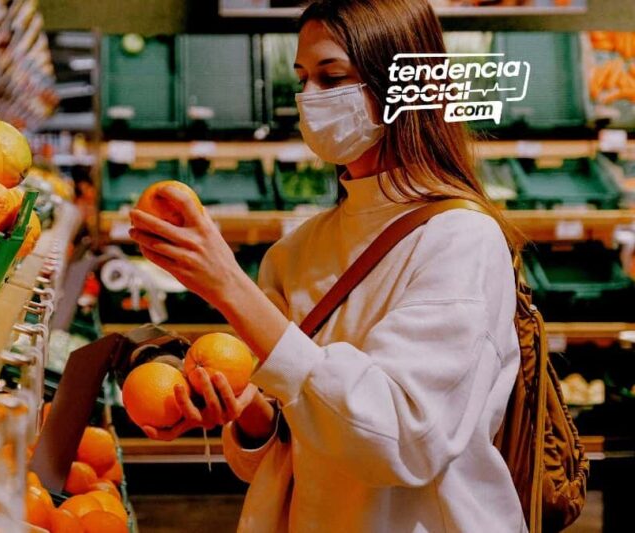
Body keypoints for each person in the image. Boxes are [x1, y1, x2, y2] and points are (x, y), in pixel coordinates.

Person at [128, 0, 526, 531]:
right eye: (302, 78)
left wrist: (227, 285)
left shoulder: (461, 240)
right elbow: (283, 449)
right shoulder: (298, 251)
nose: (309, 99)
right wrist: (242, 412)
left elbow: (401, 441)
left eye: (331, 77)